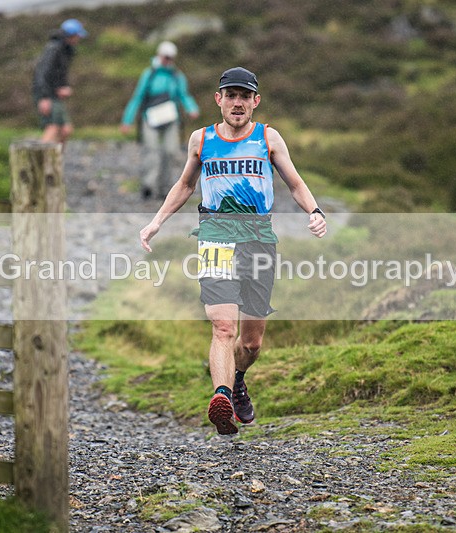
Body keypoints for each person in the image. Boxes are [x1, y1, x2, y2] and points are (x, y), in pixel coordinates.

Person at [139, 67, 327, 435]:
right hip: (215, 235)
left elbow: (295, 182)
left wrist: (315, 211)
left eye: (245, 96)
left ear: (255, 102)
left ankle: (238, 377)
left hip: (259, 238)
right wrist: (156, 221)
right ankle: (221, 398)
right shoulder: (201, 139)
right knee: (223, 325)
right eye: (231, 95)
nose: (237, 103)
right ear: (218, 100)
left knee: (252, 342)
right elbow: (184, 185)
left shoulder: (269, 139)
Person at [120, 41, 200, 200]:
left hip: (171, 118)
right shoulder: (149, 75)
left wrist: (192, 108)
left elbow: (184, 95)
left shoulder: (177, 76)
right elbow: (138, 97)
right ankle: (148, 186)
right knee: (152, 151)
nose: (167, 60)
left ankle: (165, 188)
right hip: (150, 118)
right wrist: (127, 120)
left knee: (170, 151)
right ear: (159, 55)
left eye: (170, 58)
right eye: (165, 57)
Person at [32, 18, 88, 147]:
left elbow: (59, 74)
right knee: (53, 127)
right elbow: (42, 73)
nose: (79, 39)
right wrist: (44, 98)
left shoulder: (66, 50)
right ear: (71, 35)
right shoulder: (53, 49)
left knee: (66, 130)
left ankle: (55, 162)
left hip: (55, 94)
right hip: (47, 94)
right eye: (78, 36)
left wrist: (63, 87)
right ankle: (41, 162)